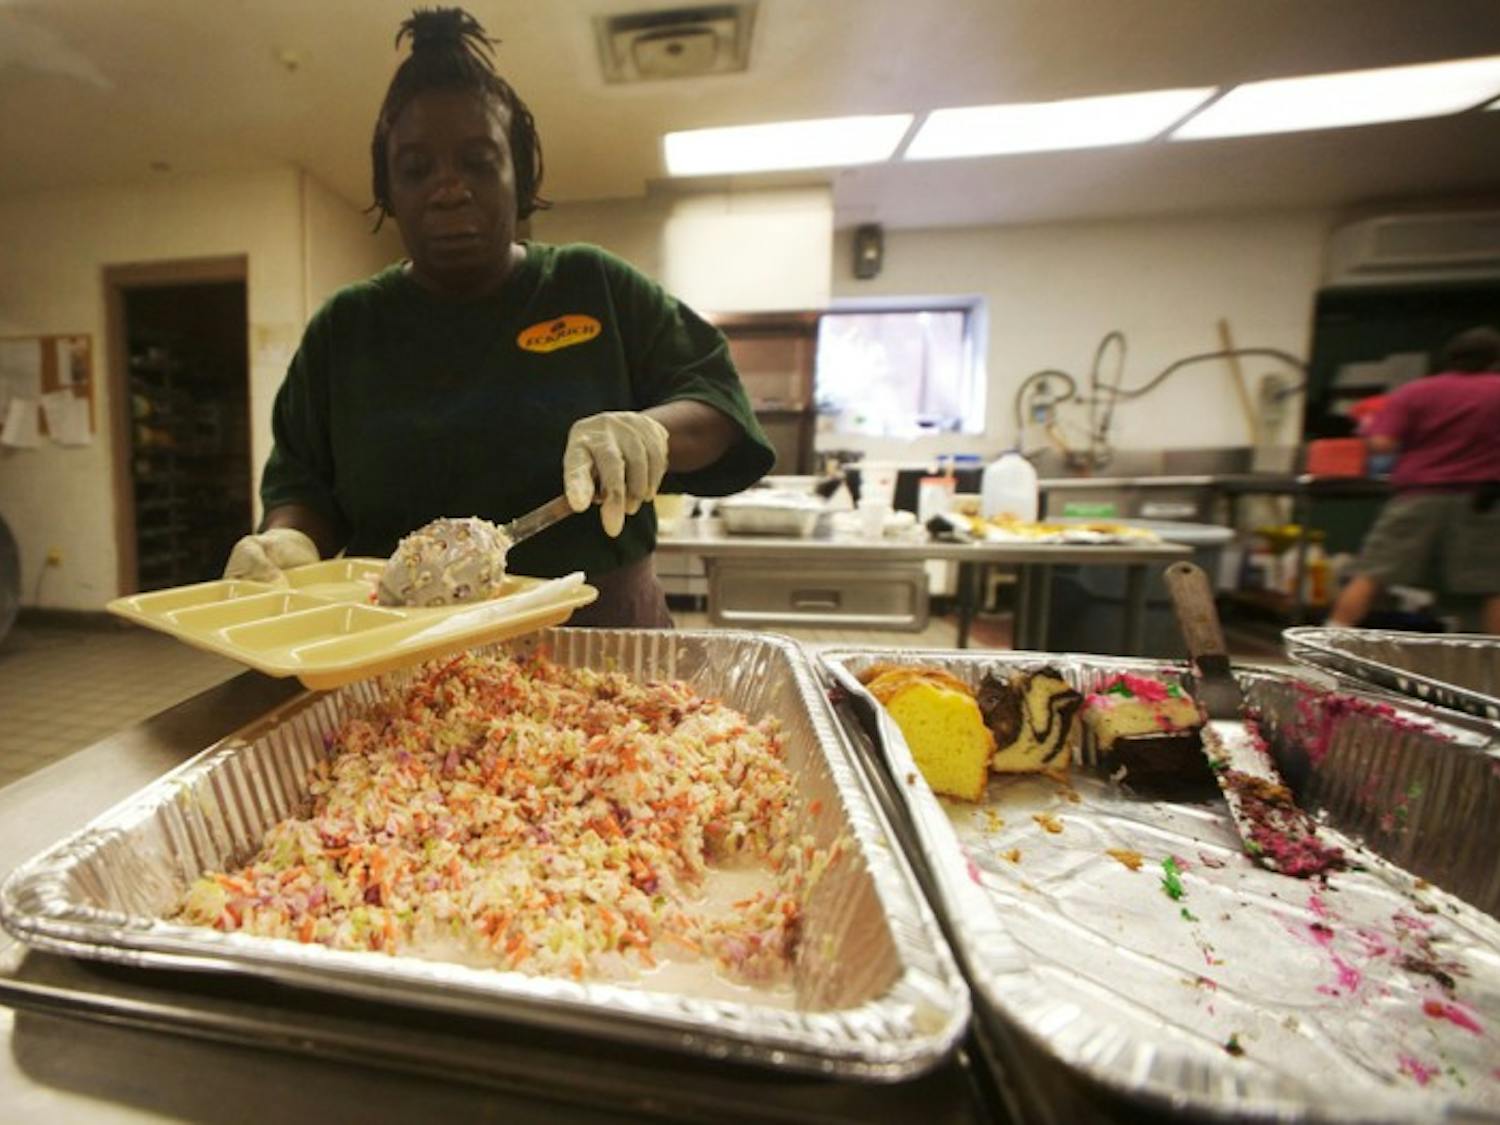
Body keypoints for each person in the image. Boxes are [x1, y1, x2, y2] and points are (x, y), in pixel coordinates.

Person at [224, 7, 773, 627]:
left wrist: (653, 432)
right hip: (398, 646)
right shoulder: (345, 330)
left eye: (479, 162)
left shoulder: (593, 286)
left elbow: (718, 405)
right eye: (416, 169)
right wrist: (287, 545)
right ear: (387, 191)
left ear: (521, 174)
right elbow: (303, 488)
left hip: (601, 637)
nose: (448, 188)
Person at [1327, 325, 1500, 632]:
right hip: (1484, 501)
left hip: (1420, 496)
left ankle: (1330, 641)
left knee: (1373, 573)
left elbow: (1382, 443)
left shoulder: (1417, 391)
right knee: (1491, 584)